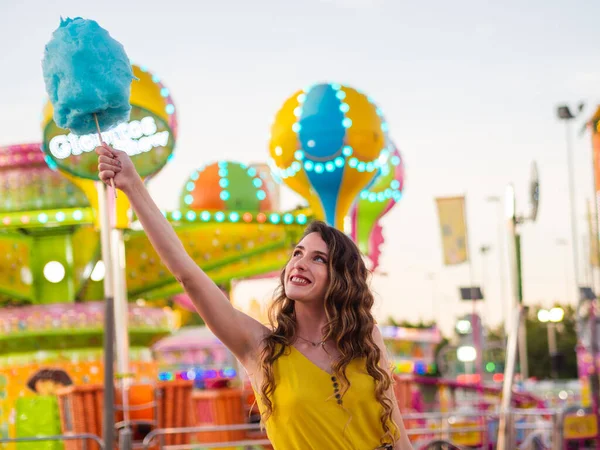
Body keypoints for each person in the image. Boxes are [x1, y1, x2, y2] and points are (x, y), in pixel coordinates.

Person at [96, 144, 413, 450]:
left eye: (318, 258)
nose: (299, 262)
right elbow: (188, 275)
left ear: (341, 279)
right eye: (298, 253)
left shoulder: (364, 340)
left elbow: (398, 436)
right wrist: (133, 186)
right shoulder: (262, 349)